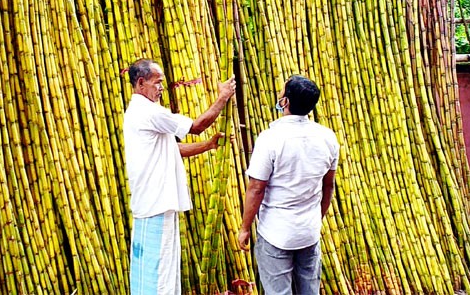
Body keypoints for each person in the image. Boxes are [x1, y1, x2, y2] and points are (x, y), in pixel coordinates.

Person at [123, 59, 236, 295]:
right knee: (160, 271)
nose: (161, 88)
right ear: (141, 83)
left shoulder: (136, 112)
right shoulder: (150, 112)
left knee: (152, 269)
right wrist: (222, 97)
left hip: (151, 202)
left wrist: (208, 145)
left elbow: (172, 149)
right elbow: (196, 126)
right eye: (157, 82)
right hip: (157, 202)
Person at [237, 75, 339, 295]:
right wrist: (316, 218)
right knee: (309, 290)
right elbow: (328, 186)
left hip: (276, 233)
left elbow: (256, 188)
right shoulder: (328, 138)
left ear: (285, 102)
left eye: (282, 92)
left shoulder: (270, 139)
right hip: (309, 232)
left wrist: (245, 228)